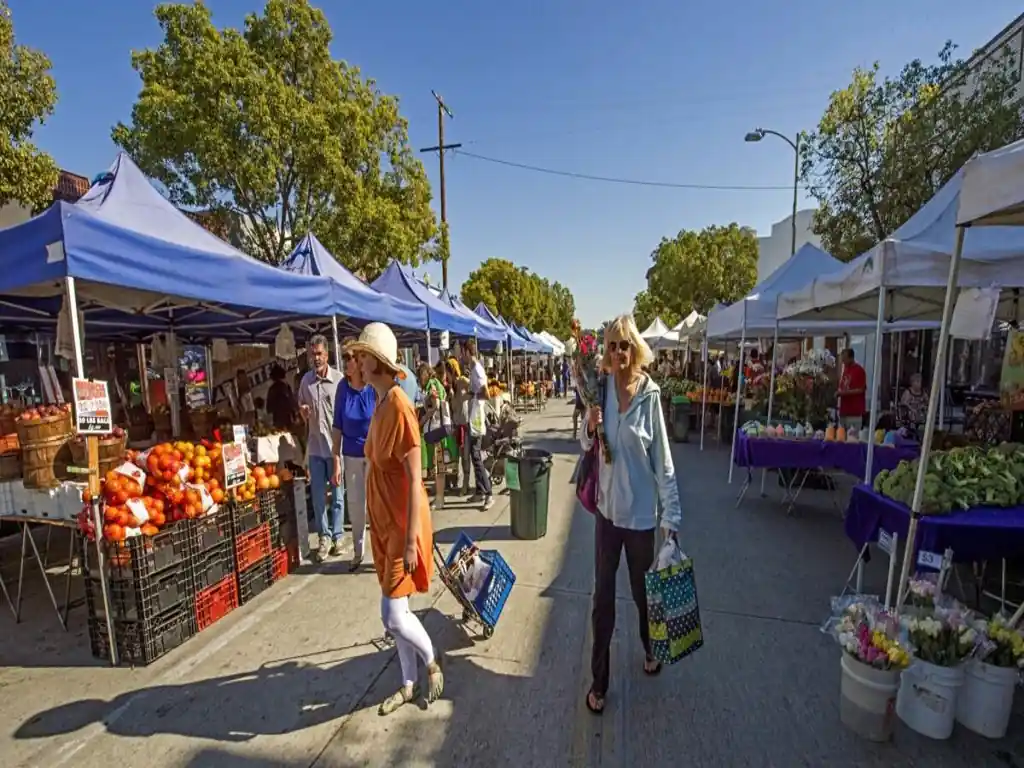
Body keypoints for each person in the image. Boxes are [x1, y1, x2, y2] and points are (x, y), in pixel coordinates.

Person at [581, 313, 682, 716]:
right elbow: (586, 444)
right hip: (607, 515)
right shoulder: (600, 389)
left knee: (643, 596)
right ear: (605, 352)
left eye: (625, 345)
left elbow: (664, 462)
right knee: (602, 600)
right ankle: (599, 681)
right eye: (611, 345)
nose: (618, 352)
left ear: (635, 349)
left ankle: (650, 647)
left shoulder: (650, 396)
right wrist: (590, 427)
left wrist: (671, 520)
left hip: (641, 519)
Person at [348, 322, 443, 715]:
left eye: (362, 356)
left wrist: (410, 541)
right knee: (398, 614)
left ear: (380, 363)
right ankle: (407, 684)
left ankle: (433, 664)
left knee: (390, 615)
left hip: (403, 527)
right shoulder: (381, 402)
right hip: (385, 526)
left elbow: (415, 480)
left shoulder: (401, 406)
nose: (357, 361)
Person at [298, 335, 344, 562]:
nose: (316, 358)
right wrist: (303, 411)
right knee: (318, 496)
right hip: (315, 447)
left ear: (327, 355)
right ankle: (323, 538)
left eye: (319, 354)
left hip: (335, 449)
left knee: (337, 495)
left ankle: (338, 536)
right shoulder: (305, 382)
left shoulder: (339, 380)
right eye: (312, 354)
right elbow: (301, 406)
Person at [332, 345, 377, 572]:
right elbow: (337, 425)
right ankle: (358, 552)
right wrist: (336, 458)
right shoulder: (342, 388)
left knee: (375, 506)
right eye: (343, 358)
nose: (346, 362)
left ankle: (381, 552)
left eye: (349, 357)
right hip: (350, 455)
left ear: (359, 362)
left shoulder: (371, 388)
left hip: (373, 455)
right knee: (356, 505)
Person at [462, 339, 493, 510]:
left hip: (477, 418)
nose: (460, 356)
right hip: (473, 416)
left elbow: (486, 393)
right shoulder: (473, 369)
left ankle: (488, 493)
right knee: (474, 455)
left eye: (461, 352)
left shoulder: (478, 370)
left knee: (476, 455)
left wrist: (473, 395)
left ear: (468, 352)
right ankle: (480, 491)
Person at [838, 348, 867, 430]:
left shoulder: (859, 370)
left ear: (851, 358)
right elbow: (842, 386)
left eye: (845, 359)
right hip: (844, 411)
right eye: (842, 359)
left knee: (852, 438)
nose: (843, 362)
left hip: (854, 412)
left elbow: (861, 390)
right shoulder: (846, 370)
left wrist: (844, 393)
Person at [265, 363, 298, 431]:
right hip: (289, 419)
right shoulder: (286, 386)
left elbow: (269, 408)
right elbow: (292, 403)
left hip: (279, 421)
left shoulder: (273, 389)